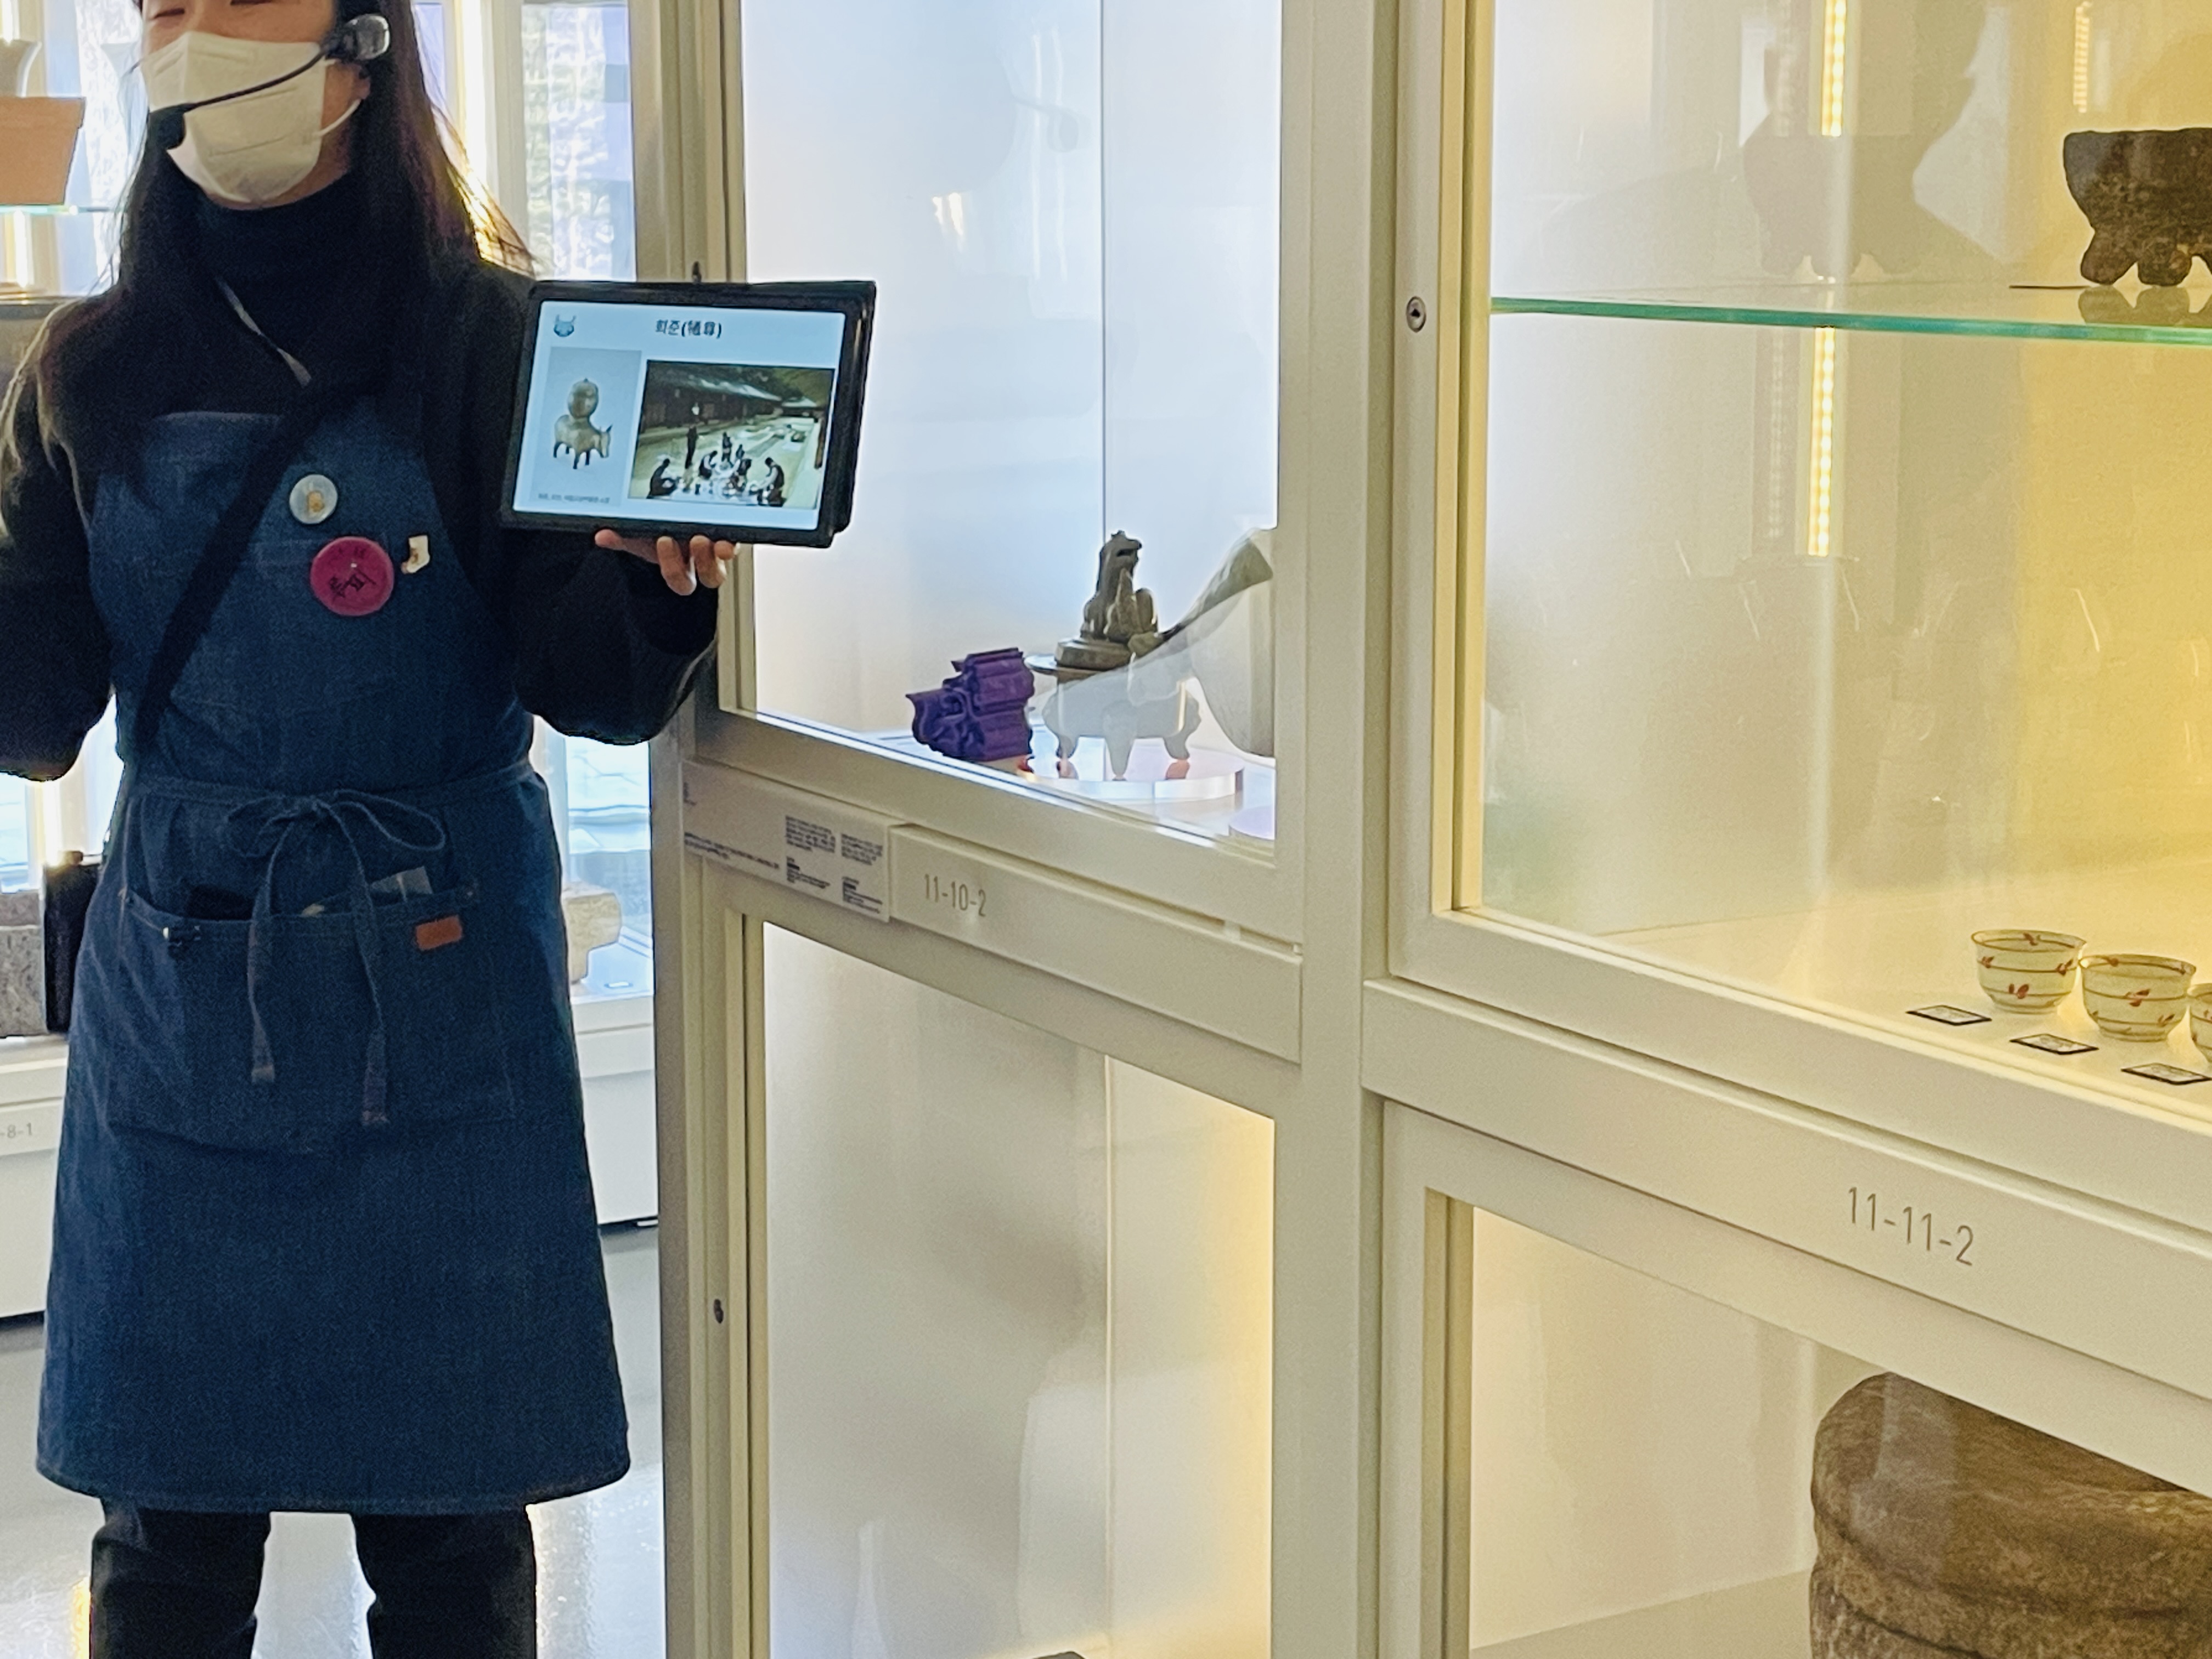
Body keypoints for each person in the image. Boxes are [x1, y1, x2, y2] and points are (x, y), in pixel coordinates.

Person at [0, 0, 737, 1653]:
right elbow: (32, 710)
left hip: (443, 988)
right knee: (167, 1534)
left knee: (453, 1525)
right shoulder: (86, 369)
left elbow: (592, 688)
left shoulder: (501, 345)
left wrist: (658, 592)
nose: (186, 34)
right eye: (160, 7)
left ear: (364, 40)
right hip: (189, 991)